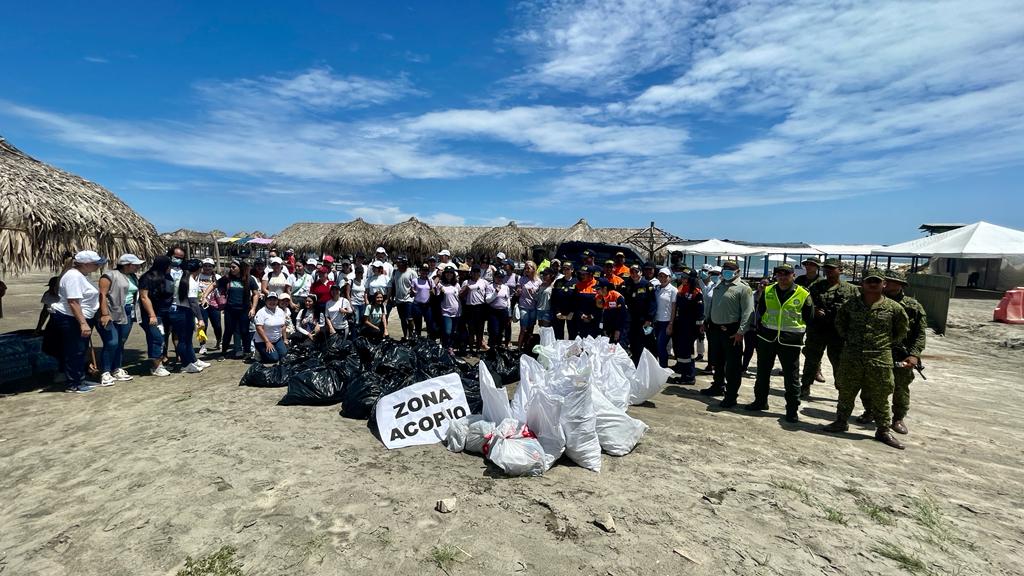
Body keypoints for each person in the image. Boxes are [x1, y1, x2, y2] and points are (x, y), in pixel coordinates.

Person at [822, 269, 910, 450]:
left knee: (881, 395)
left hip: (879, 358)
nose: (872, 284)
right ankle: (841, 421)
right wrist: (850, 340)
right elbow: (840, 323)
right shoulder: (851, 305)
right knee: (846, 390)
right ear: (863, 283)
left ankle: (883, 430)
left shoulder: (894, 308)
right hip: (852, 356)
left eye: (876, 281)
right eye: (869, 281)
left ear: (883, 284)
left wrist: (884, 343)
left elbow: (901, 331)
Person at [856, 269, 927, 435]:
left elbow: (919, 333)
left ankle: (898, 418)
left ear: (901, 285)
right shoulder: (871, 300)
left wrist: (914, 354)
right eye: (885, 280)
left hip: (901, 354)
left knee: (900, 387)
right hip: (875, 352)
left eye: (892, 281)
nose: (888, 284)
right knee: (868, 385)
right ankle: (870, 411)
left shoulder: (913, 306)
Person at [744, 264, 815, 422]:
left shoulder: (803, 294)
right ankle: (760, 401)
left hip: (790, 342)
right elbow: (761, 311)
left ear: (793, 276)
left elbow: (809, 318)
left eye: (786, 274)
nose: (782, 277)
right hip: (767, 339)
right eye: (779, 274)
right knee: (762, 373)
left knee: (791, 378)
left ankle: (791, 410)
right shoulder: (768, 291)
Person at [799, 258, 859, 399]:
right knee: (811, 361)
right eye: (826, 268)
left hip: (838, 334)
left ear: (840, 270)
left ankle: (842, 391)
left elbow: (857, 310)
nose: (828, 271)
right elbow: (805, 305)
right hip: (817, 331)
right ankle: (805, 386)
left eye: (832, 268)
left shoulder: (851, 290)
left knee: (839, 364)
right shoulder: (816, 286)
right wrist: (815, 311)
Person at [700, 260, 754, 407]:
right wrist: (706, 321)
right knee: (717, 361)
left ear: (737, 272)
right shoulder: (719, 285)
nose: (726, 273)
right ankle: (718, 386)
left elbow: (748, 312)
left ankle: (731, 395)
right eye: (725, 271)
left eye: (729, 271)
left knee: (733, 366)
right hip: (715, 329)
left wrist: (741, 331)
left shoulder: (743, 288)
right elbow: (712, 305)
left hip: (732, 332)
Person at [50, 251, 105, 392]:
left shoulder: (81, 275)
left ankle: (79, 378)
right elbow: (73, 302)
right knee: (75, 350)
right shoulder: (73, 276)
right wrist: (82, 323)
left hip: (81, 317)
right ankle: (73, 384)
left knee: (80, 350)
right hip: (72, 319)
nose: (98, 266)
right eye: (96, 263)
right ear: (86, 264)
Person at [96, 254, 144, 386]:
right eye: (135, 264)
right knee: (111, 342)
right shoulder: (109, 275)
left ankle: (117, 368)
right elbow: (102, 295)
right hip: (112, 312)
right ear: (127, 265)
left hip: (127, 312)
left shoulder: (133, 277)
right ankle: (105, 371)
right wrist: (105, 314)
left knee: (121, 342)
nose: (138, 266)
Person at [216, 260, 260, 360]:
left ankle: (247, 352)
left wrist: (253, 308)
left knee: (245, 331)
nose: (231, 269)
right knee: (228, 331)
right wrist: (205, 295)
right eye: (230, 267)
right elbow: (214, 285)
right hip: (230, 309)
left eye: (233, 267)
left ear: (240, 268)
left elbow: (256, 294)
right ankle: (223, 353)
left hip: (244, 309)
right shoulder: (227, 278)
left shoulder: (249, 279)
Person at [170, 260, 208, 373]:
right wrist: (200, 318)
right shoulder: (190, 281)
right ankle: (185, 364)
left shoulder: (182, 279)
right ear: (199, 269)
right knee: (184, 340)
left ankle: (191, 360)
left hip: (180, 310)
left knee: (186, 339)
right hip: (183, 311)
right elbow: (193, 302)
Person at [139, 256, 174, 376]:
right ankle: (156, 366)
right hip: (150, 314)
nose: (171, 268)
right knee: (156, 338)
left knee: (161, 338)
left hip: (163, 312)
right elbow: (144, 297)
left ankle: (160, 362)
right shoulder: (147, 277)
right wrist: (151, 314)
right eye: (170, 266)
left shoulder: (166, 277)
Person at [672, 270, 704, 383]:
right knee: (682, 351)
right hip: (681, 324)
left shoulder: (696, 292)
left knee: (686, 351)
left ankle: (689, 376)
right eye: (682, 276)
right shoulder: (682, 288)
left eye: (685, 277)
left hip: (690, 327)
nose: (683, 279)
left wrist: (699, 329)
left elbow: (700, 312)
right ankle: (684, 374)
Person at [622, 264, 656, 364]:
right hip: (631, 320)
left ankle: (651, 364)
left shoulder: (647, 285)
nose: (634, 274)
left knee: (648, 344)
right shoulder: (626, 284)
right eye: (632, 272)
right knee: (634, 344)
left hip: (643, 321)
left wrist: (649, 319)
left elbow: (652, 303)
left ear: (641, 272)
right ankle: (636, 365)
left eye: (636, 272)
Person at [196, 258, 222, 355]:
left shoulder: (218, 277)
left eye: (210, 266)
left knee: (217, 325)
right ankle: (202, 345)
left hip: (214, 304)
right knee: (203, 326)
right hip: (201, 304)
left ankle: (219, 341)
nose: (207, 268)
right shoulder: (198, 276)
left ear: (213, 267)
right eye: (205, 265)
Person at [253, 292, 289, 363]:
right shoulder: (261, 312)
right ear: (266, 301)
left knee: (284, 355)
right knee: (274, 358)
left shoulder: (280, 311)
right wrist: (267, 342)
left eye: (274, 300)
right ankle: (258, 352)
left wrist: (285, 339)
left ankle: (274, 349)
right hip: (263, 341)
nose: (272, 302)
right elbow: (259, 328)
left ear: (277, 301)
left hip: (277, 339)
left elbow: (283, 326)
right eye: (270, 300)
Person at [652, 268, 677, 368]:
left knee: (661, 346)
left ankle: (663, 367)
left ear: (669, 277)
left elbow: (674, 308)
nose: (662, 278)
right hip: (656, 321)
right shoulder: (656, 289)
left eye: (665, 276)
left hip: (666, 322)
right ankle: (658, 368)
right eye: (660, 276)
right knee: (656, 346)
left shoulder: (673, 290)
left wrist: (671, 324)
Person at [461, 266, 488, 350]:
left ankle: (478, 349)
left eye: (477, 272)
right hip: (470, 308)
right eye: (473, 272)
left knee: (480, 331)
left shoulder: (484, 282)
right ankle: (471, 349)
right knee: (471, 330)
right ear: (471, 273)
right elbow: (461, 296)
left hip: (481, 307)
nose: (475, 274)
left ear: (480, 273)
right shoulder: (466, 282)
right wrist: (467, 289)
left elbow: (488, 293)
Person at [389, 256, 417, 339]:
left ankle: (412, 334)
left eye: (399, 262)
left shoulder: (412, 272)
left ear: (405, 263)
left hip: (409, 299)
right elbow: (393, 285)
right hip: (398, 300)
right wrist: (392, 298)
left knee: (409, 318)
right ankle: (405, 336)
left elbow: (416, 286)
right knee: (402, 319)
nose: (398, 264)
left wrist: (414, 292)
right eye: (397, 263)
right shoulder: (395, 272)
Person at [436, 265, 462, 352]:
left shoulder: (457, 285)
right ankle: (445, 346)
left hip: (457, 312)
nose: (449, 274)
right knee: (447, 331)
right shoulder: (440, 284)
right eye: (447, 273)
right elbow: (436, 295)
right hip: (446, 312)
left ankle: (450, 347)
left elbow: (459, 297)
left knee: (453, 332)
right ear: (444, 274)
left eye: (451, 273)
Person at [516, 261, 541, 350]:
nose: (526, 270)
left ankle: (527, 347)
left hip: (533, 307)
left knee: (530, 329)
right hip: (524, 306)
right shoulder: (522, 279)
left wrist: (534, 293)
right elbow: (518, 290)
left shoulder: (538, 281)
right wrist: (518, 291)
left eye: (528, 268)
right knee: (523, 329)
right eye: (525, 268)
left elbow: (539, 296)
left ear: (533, 269)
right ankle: (519, 348)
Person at [595, 278, 627, 346]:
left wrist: (618, 330)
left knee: (619, 347)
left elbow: (622, 315)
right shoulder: (599, 297)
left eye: (598, 289)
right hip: (606, 327)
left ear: (605, 288)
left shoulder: (616, 296)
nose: (596, 291)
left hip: (618, 327)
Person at [485, 269, 512, 348]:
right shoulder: (490, 287)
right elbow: (487, 300)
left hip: (503, 311)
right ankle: (492, 347)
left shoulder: (506, 287)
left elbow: (508, 300)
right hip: (493, 311)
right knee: (494, 332)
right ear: (494, 277)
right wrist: (495, 293)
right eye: (497, 277)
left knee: (501, 332)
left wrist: (509, 313)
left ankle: (499, 347)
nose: (499, 279)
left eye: (501, 277)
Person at [572, 265, 601, 338]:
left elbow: (601, 304)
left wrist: (592, 316)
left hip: (594, 319)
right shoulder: (578, 285)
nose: (582, 276)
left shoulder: (598, 285)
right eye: (581, 274)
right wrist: (581, 315)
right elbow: (575, 303)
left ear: (591, 274)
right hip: (581, 319)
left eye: (584, 274)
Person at [551, 262, 577, 340]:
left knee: (573, 334)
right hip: (560, 312)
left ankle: (573, 352)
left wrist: (572, 312)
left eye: (567, 269)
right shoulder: (558, 282)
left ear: (572, 270)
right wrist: (557, 312)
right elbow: (554, 298)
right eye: (564, 269)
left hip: (572, 313)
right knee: (558, 334)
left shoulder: (576, 282)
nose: (565, 270)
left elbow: (577, 299)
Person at [411, 264, 435, 338]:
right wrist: (412, 291)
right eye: (423, 270)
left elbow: (434, 291)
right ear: (420, 271)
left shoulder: (430, 281)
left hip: (427, 305)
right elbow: (411, 292)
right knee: (418, 324)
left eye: (426, 270)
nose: (424, 272)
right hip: (417, 305)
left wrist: (432, 291)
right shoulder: (415, 280)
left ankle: (429, 339)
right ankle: (418, 338)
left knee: (429, 323)